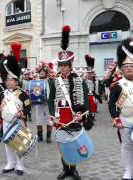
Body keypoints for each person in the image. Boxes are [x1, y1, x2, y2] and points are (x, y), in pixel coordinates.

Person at [48, 26, 89, 180]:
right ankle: (65, 169)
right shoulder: (55, 82)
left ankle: (73, 169)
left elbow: (84, 98)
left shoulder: (79, 80)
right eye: (61, 65)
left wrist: (81, 114)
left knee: (75, 143)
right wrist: (53, 116)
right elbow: (50, 100)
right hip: (60, 115)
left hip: (74, 115)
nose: (63, 68)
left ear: (70, 66)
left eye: (66, 65)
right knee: (63, 144)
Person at [109, 24, 133, 180]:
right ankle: (128, 172)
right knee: (126, 146)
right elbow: (111, 103)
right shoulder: (118, 85)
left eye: (131, 66)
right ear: (122, 69)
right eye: (126, 66)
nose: (128, 69)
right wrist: (115, 118)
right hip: (125, 120)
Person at [0, 42, 31, 176]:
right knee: (7, 144)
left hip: (18, 122)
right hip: (6, 122)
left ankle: (20, 164)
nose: (9, 82)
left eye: (11, 80)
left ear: (16, 81)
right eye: (7, 80)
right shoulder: (1, 94)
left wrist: (23, 113)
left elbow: (28, 107)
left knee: (18, 144)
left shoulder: (23, 94)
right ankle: (10, 163)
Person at [34, 62, 53, 143]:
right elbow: (34, 92)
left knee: (49, 120)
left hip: (48, 103)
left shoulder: (50, 81)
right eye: (40, 72)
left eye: (43, 72)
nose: (41, 73)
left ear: (46, 73)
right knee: (38, 120)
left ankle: (48, 136)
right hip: (39, 103)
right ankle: (40, 136)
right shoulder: (35, 82)